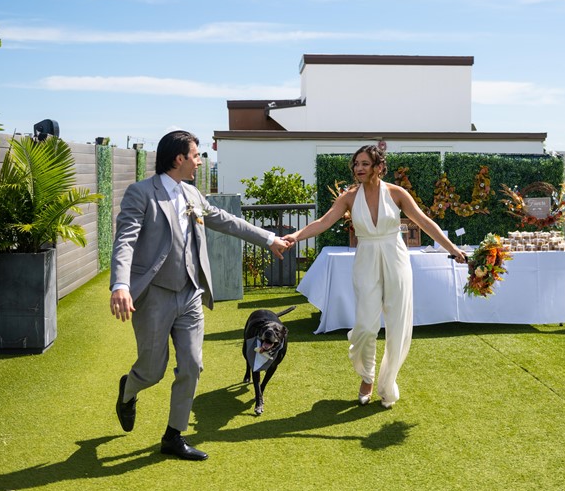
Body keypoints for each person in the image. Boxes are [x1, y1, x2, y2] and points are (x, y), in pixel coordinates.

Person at [110, 130, 289, 461]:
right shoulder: (140, 194)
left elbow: (227, 221)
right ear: (179, 159)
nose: (199, 161)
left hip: (190, 295)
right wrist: (120, 284)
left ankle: (173, 436)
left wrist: (268, 238)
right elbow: (125, 240)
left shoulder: (192, 194)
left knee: (192, 365)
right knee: (152, 370)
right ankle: (128, 390)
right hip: (155, 296)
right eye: (196, 155)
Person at [284, 144, 467, 408]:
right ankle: (367, 376)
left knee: (397, 325)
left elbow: (425, 222)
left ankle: (386, 383)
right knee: (366, 327)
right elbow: (323, 222)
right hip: (366, 259)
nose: (358, 168)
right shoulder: (349, 197)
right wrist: (295, 236)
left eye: (364, 164)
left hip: (395, 258)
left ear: (378, 167)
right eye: (356, 164)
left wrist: (453, 249)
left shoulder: (397, 193)